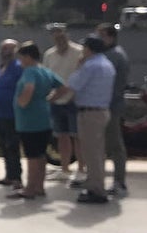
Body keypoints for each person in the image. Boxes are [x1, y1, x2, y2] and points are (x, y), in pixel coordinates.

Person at [50, 35, 116, 204]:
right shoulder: (107, 64)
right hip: (101, 111)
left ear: (89, 49)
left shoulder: (90, 66)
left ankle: (97, 190)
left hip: (89, 112)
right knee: (97, 152)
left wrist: (78, 67)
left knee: (91, 153)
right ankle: (95, 183)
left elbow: (73, 84)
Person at [10, 42, 64, 199]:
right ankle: (39, 186)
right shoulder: (45, 71)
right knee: (41, 155)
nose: (20, 62)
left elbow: (29, 88)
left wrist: (22, 102)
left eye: (21, 58)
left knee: (32, 155)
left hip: (29, 121)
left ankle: (30, 188)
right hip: (44, 118)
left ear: (27, 57)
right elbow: (63, 87)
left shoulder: (30, 72)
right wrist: (50, 99)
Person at [43, 24, 84, 185]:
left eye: (61, 33)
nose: (58, 37)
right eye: (55, 34)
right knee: (62, 135)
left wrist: (73, 94)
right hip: (56, 100)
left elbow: (82, 75)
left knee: (77, 136)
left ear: (66, 34)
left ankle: (81, 169)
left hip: (75, 99)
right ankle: (65, 168)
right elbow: (47, 77)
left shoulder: (79, 51)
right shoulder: (49, 54)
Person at [96, 23, 129, 198]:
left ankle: (119, 181)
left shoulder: (115, 56)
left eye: (101, 35)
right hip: (105, 105)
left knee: (115, 145)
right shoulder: (109, 54)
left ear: (110, 37)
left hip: (111, 106)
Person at [0, 39, 24, 189]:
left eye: (9, 49)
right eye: (3, 49)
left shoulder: (19, 68)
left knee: (12, 146)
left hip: (13, 114)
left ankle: (17, 178)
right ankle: (8, 176)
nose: (6, 52)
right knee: (3, 146)